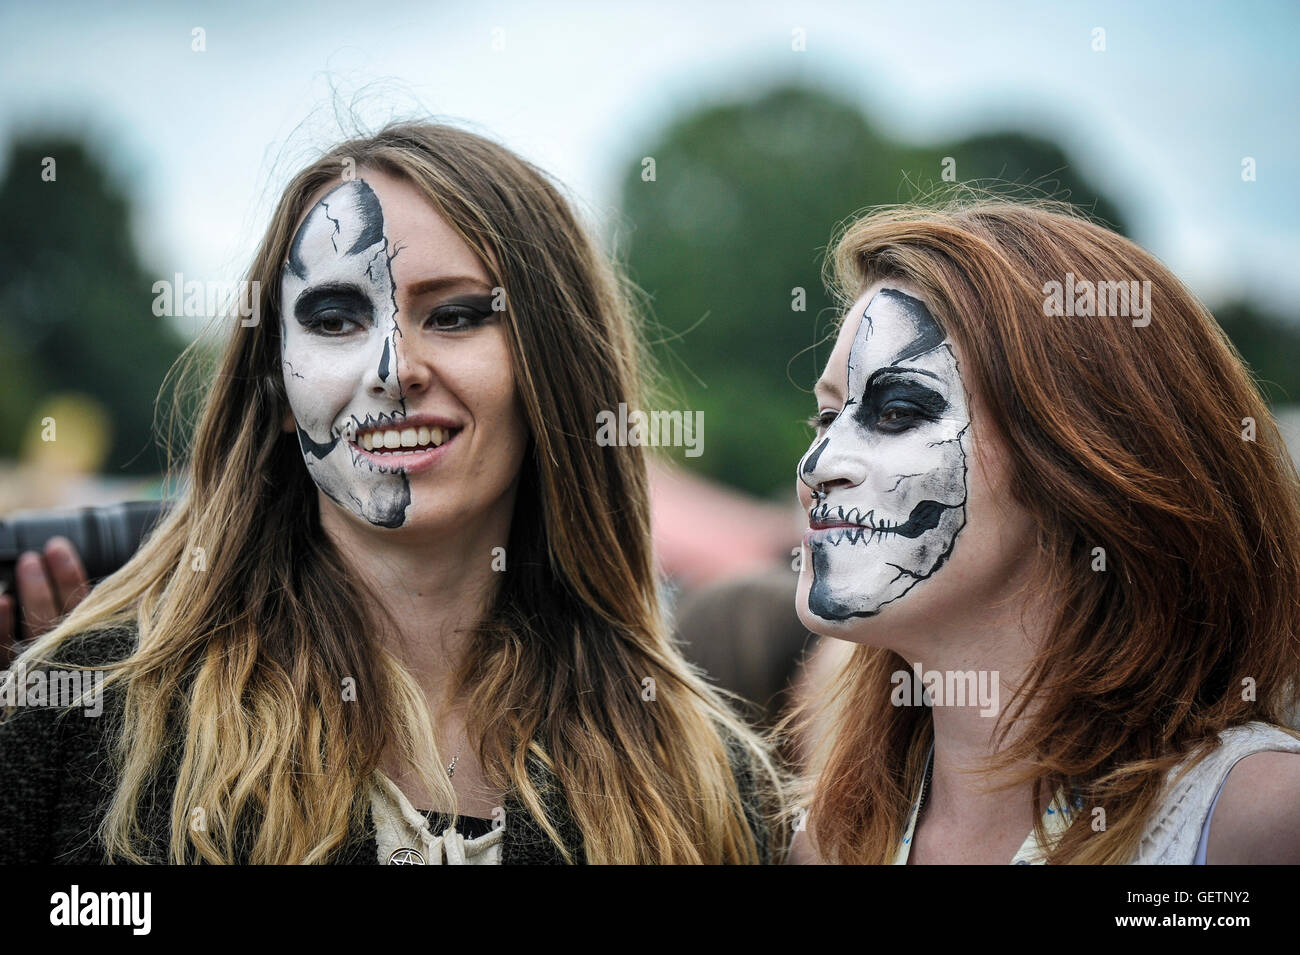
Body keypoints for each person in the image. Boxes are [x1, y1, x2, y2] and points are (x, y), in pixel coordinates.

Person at [0, 121, 783, 865]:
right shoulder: (88, 716)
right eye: (335, 318)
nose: (393, 366)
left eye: (453, 315)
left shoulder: (700, 769)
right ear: (274, 383)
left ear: (555, 368)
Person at [784, 198, 1300, 864]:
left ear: (1078, 460)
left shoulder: (1253, 818)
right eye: (826, 419)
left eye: (898, 410)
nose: (817, 465)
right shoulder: (831, 840)